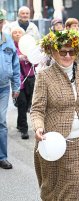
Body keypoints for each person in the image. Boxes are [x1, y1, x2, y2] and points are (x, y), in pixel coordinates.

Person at [30, 29, 79, 200]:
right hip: (51, 140)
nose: (68, 55)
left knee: (75, 186)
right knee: (51, 187)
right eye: (63, 51)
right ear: (53, 52)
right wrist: (39, 128)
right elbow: (37, 109)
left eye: (72, 51)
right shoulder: (44, 76)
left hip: (78, 140)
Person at [0, 9, 20, 170]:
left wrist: (16, 87)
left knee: (1, 121)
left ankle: (2, 157)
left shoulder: (8, 41)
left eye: (1, 21)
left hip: (3, 88)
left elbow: (15, 65)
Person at [11, 27, 36, 140]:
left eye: (19, 32)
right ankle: (24, 129)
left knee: (27, 104)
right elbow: (7, 62)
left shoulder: (29, 45)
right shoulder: (10, 47)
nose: (17, 34)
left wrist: (32, 59)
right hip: (18, 80)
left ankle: (19, 123)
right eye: (14, 32)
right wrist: (18, 58)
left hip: (30, 79)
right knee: (22, 103)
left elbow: (36, 63)